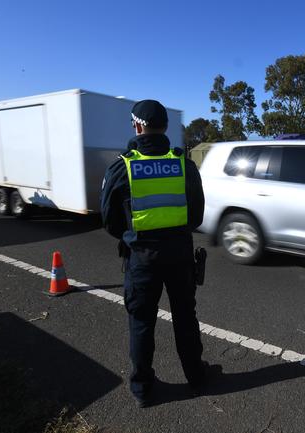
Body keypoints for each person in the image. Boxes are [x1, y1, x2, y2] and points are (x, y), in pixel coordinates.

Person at [100, 99, 213, 407]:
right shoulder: (183, 164)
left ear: (137, 126)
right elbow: (197, 216)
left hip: (142, 259)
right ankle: (197, 377)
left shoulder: (122, 167)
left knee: (141, 323)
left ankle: (143, 389)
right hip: (179, 257)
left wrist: (135, 234)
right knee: (185, 318)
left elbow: (109, 220)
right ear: (165, 127)